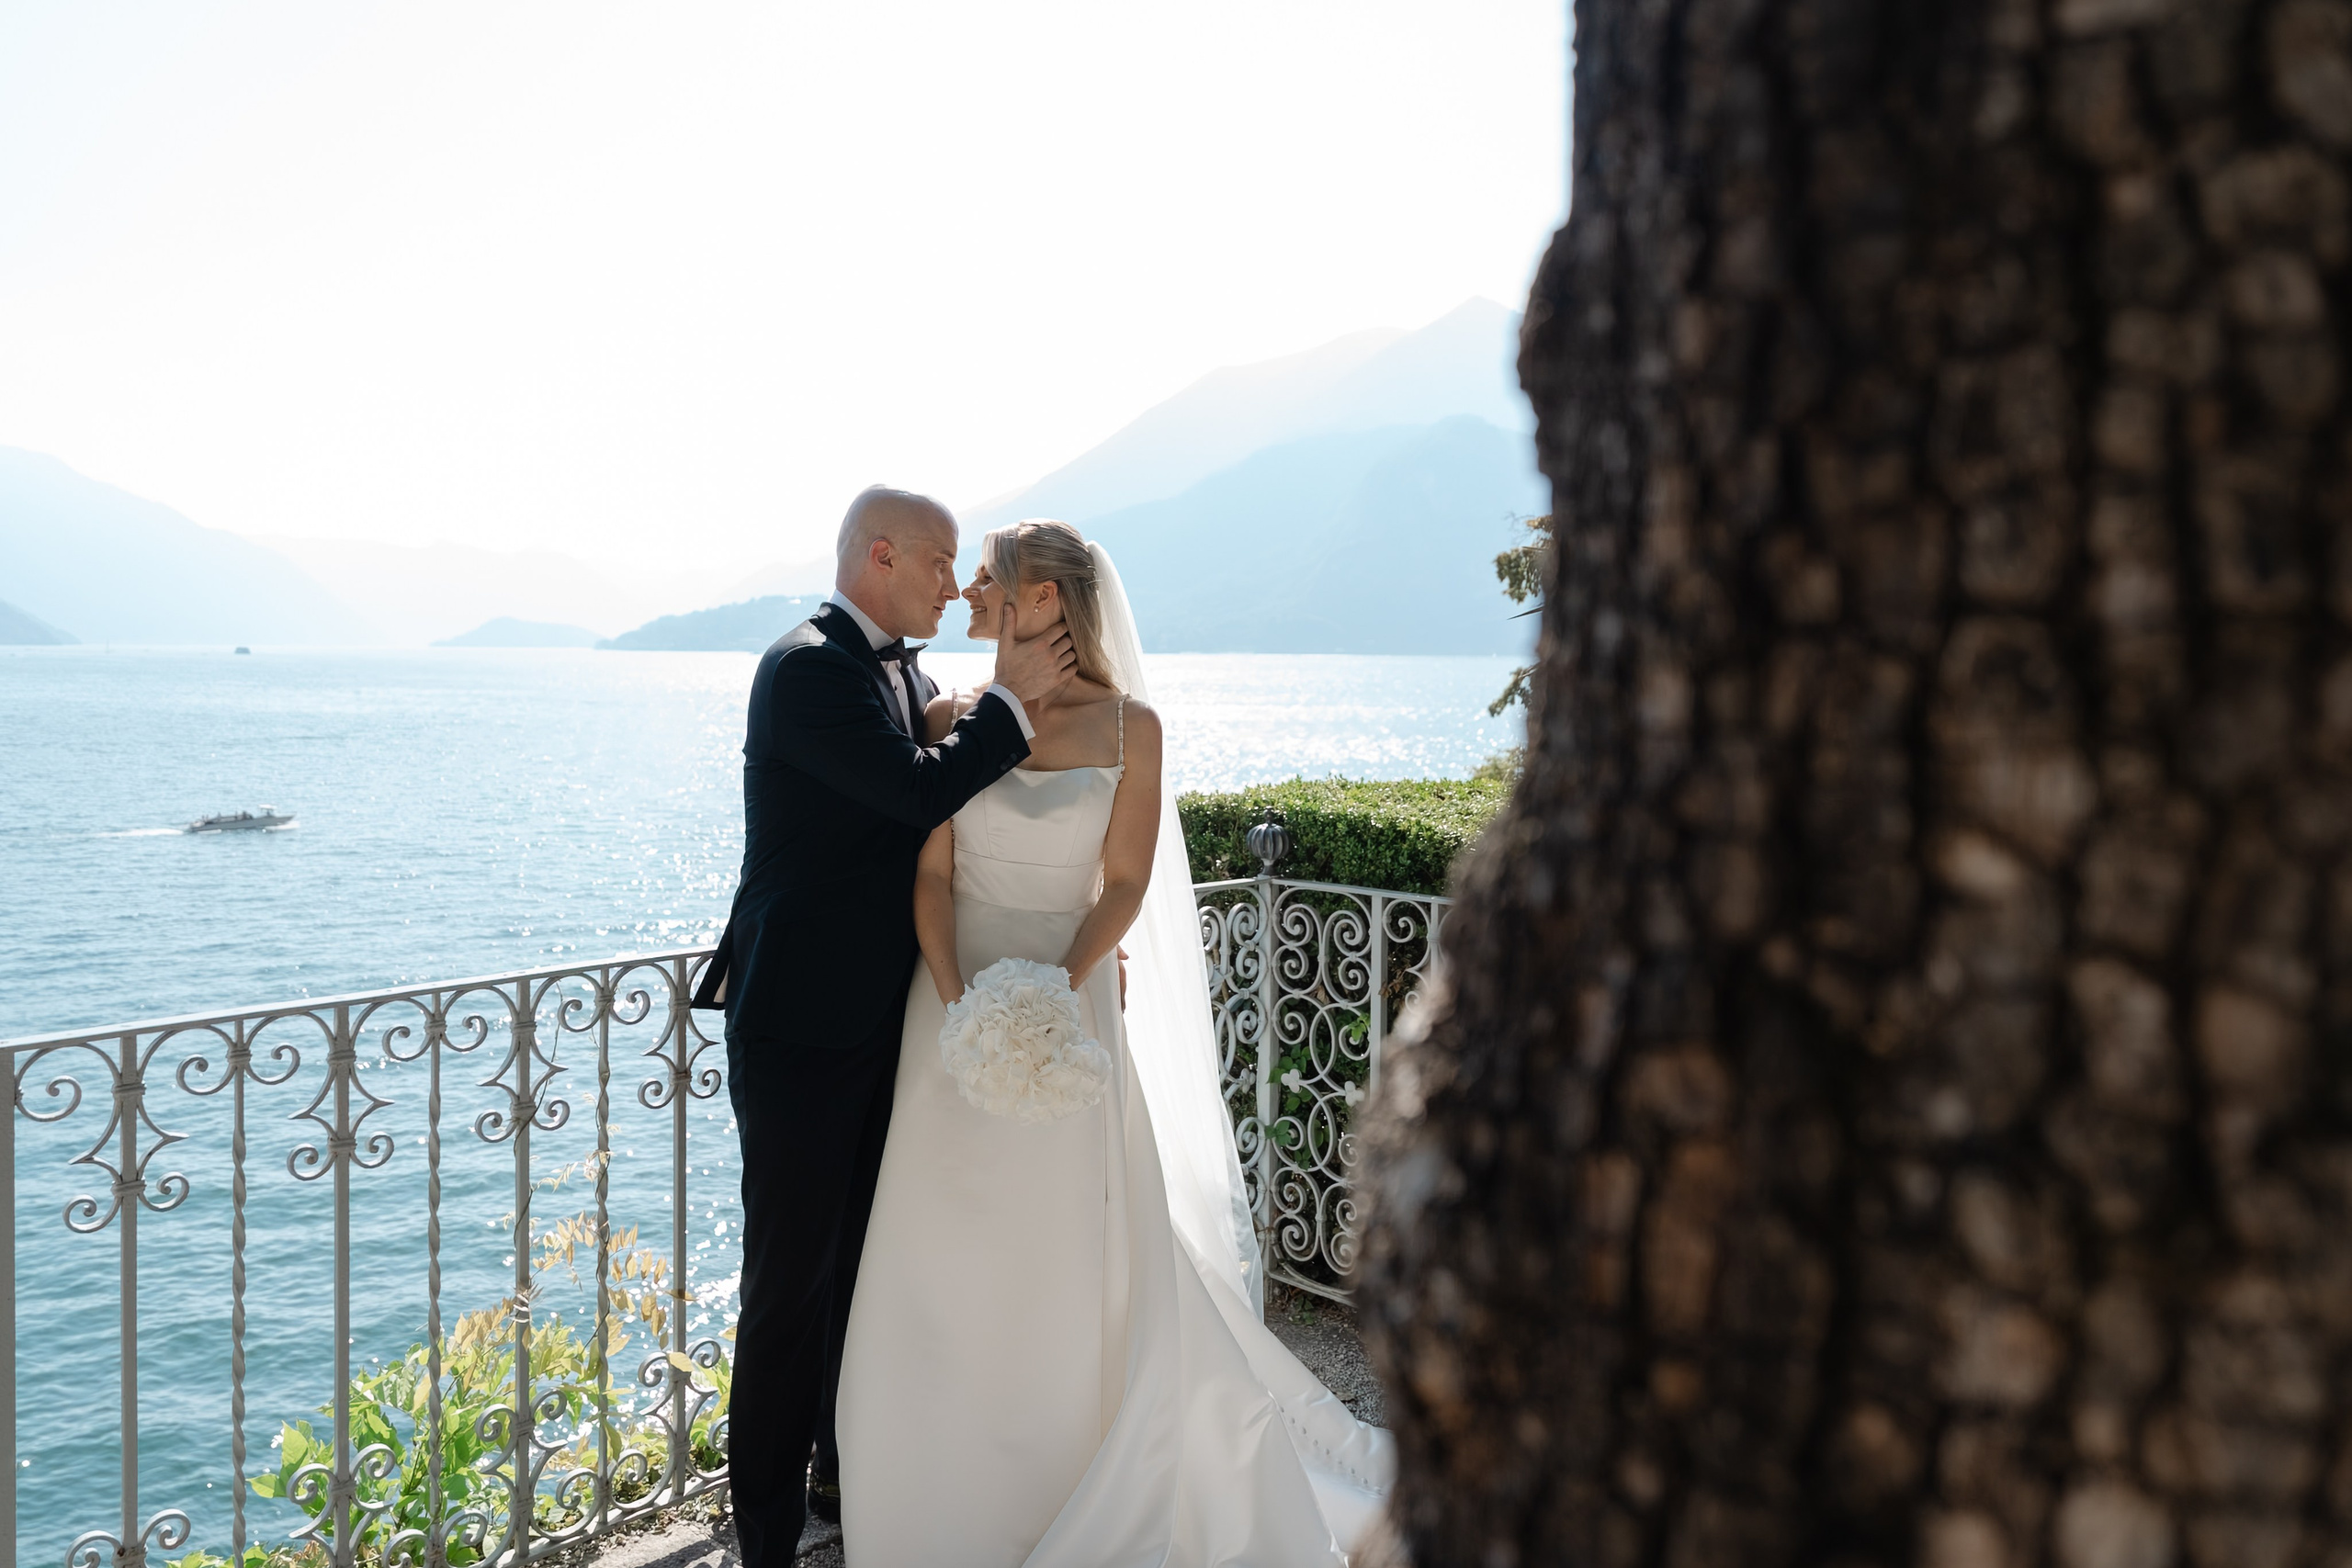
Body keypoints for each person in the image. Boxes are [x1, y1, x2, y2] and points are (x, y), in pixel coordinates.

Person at [836, 521, 1394, 1565]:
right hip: (949, 1005)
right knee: (939, 1238)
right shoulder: (957, 716)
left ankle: (1070, 1460)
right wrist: (964, 1002)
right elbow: (931, 875)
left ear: (1044, 600)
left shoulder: (1134, 727)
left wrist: (1060, 980)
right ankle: (933, 1485)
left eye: (990, 581)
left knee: (1066, 1236)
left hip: (1072, 994)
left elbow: (1128, 881)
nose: (969, 597)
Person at [690, 486, 1077, 1566]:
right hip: (802, 1024)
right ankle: (763, 1535)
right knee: (786, 1286)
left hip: (884, 1017)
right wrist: (1005, 704)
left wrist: (960, 711)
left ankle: (839, 1472)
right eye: (942, 563)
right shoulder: (807, 666)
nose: (957, 586)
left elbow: (913, 754)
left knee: (859, 1262)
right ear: (880, 556)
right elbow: (913, 796)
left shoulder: (891, 669)